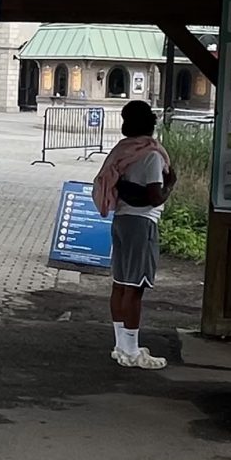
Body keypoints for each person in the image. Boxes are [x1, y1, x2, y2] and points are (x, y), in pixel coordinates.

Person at [91, 100, 173, 370]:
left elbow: (124, 189)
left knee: (120, 283)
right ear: (150, 124)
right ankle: (132, 350)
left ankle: (122, 346)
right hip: (142, 224)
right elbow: (153, 196)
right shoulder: (150, 155)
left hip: (122, 220)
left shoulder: (122, 152)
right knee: (135, 288)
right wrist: (170, 184)